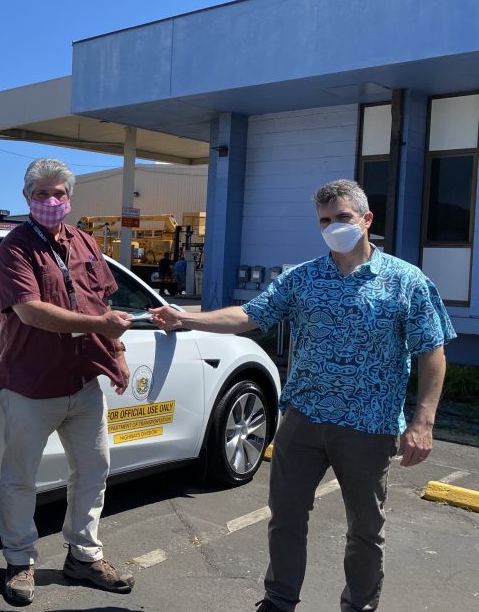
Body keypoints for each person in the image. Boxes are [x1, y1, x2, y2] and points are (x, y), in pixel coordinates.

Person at [149, 179, 455, 612]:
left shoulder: (407, 282)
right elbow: (250, 315)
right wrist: (185, 319)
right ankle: (279, 601)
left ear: (367, 220)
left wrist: (423, 422)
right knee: (286, 518)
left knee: (365, 528)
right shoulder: (303, 277)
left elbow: (432, 350)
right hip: (304, 419)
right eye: (325, 221)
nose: (333, 227)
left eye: (342, 218)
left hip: (369, 424)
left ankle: (359, 605)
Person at [0, 158, 136, 605]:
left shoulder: (86, 243)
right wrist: (100, 327)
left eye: (58, 194)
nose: (51, 202)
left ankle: (84, 555)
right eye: (41, 194)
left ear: (69, 198)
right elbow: (31, 311)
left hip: (82, 382)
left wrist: (118, 353)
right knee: (20, 478)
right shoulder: (15, 248)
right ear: (26, 197)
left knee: (94, 469)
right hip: (31, 383)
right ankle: (20, 561)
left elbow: (101, 301)